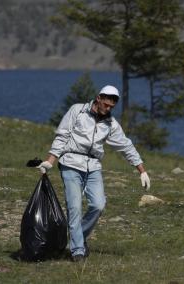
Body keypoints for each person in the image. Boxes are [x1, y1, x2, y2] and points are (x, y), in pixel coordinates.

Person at [37, 85, 150, 262]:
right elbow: (62, 136)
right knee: (74, 207)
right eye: (106, 104)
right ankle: (77, 251)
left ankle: (77, 238)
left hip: (93, 166)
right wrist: (50, 161)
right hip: (71, 163)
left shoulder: (110, 124)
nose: (108, 108)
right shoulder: (77, 110)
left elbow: (126, 145)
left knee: (98, 205)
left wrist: (141, 170)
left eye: (112, 106)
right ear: (98, 98)